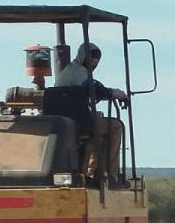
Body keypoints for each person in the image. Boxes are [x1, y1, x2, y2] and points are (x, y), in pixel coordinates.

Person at [53, 42, 127, 183]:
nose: (93, 64)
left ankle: (90, 172)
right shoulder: (80, 73)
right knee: (115, 126)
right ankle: (108, 174)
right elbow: (94, 90)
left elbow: (93, 88)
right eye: (91, 60)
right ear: (83, 57)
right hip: (77, 121)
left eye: (96, 62)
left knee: (95, 131)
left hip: (65, 121)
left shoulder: (70, 71)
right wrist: (116, 93)